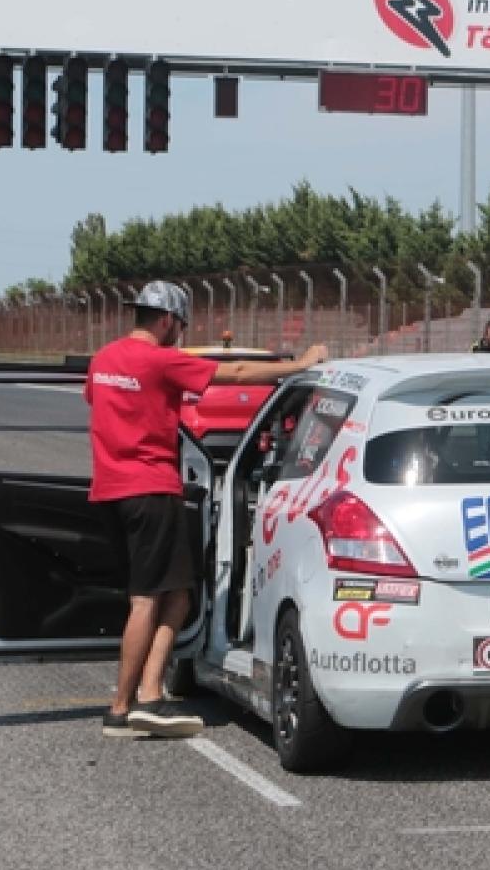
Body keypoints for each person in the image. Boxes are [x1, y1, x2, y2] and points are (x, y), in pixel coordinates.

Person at [87, 280, 327, 739]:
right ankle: (125, 706)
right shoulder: (160, 359)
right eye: (179, 325)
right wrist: (299, 364)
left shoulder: (103, 361)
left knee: (169, 595)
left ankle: (148, 694)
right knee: (153, 599)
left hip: (109, 492)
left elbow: (101, 408)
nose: (179, 332)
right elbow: (233, 373)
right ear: (166, 320)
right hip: (153, 491)